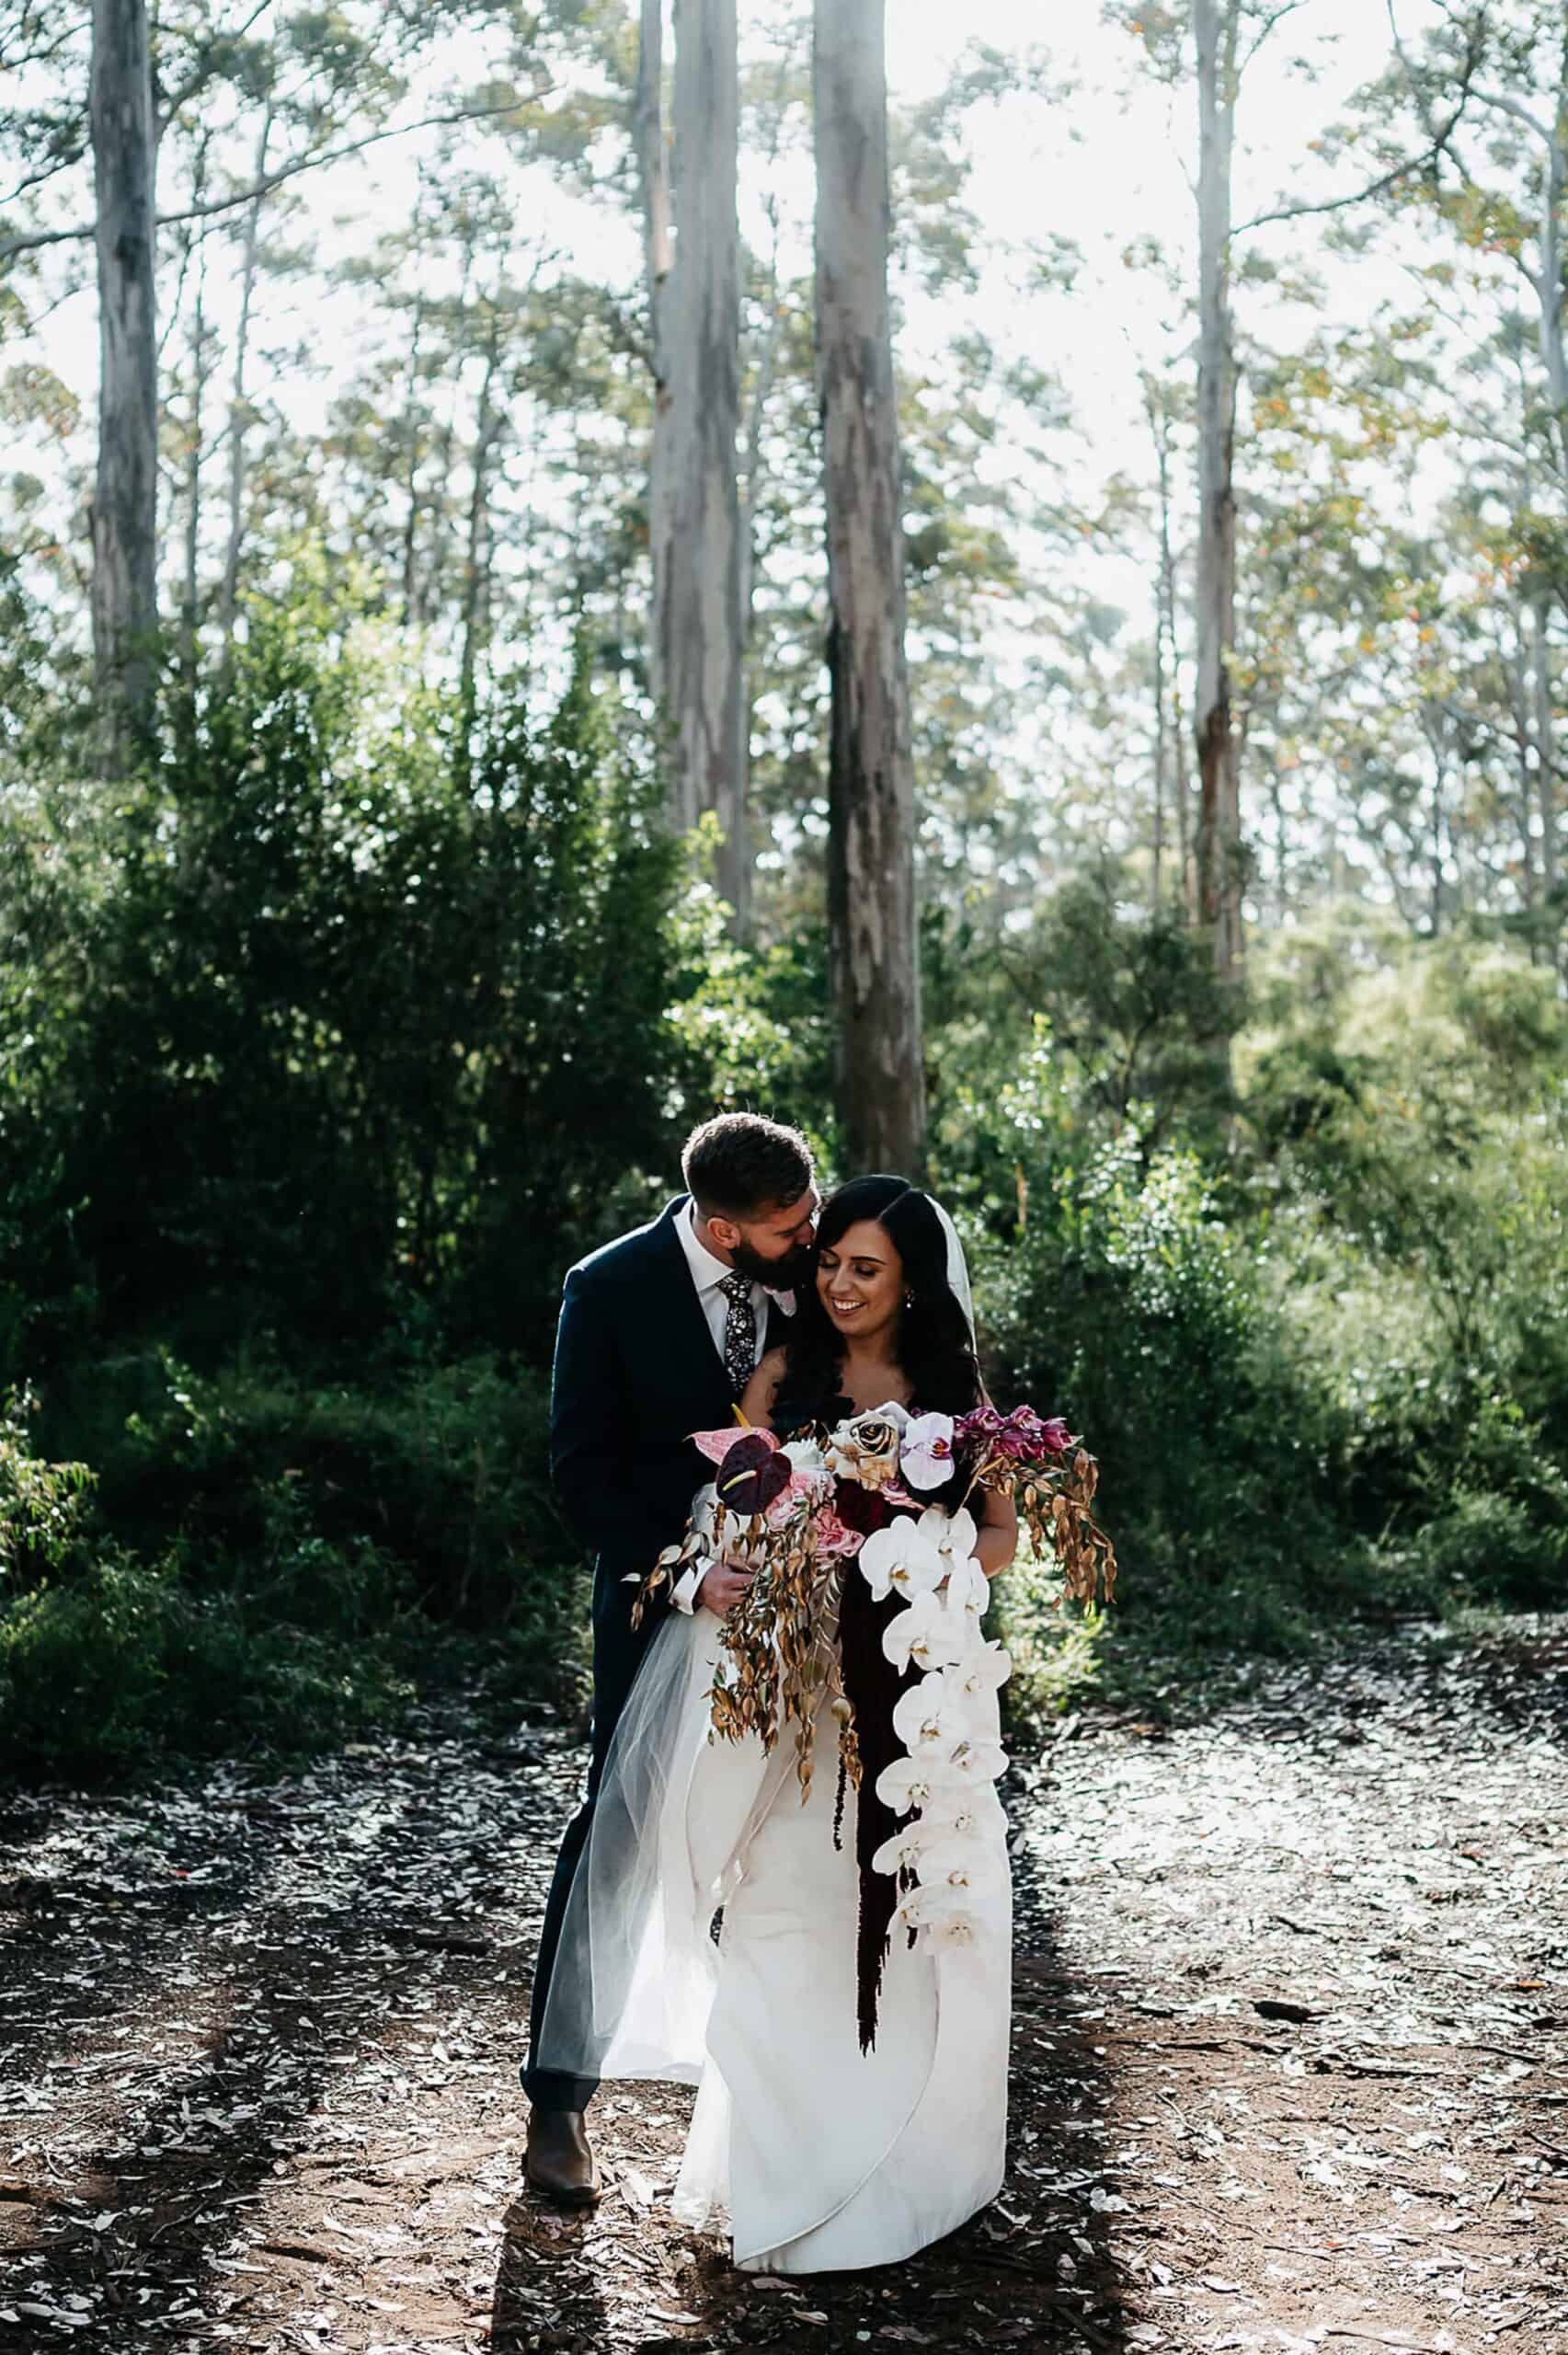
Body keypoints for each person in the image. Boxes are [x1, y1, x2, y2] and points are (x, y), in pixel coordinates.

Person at [532, 1175, 1020, 2272]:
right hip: (794, 1691)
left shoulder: (954, 1396)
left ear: (913, 1282)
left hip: (906, 1694)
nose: (836, 1282)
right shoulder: (786, 1369)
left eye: (863, 1267)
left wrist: (913, 1558)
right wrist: (788, 1549)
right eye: (828, 1261)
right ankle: (780, 2174)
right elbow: (728, 1497)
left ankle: (905, 2167)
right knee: (788, 1908)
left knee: (903, 1908)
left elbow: (997, 1535)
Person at [521, 1112, 819, 2203]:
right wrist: (687, 1570)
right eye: (789, 1226)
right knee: (623, 1825)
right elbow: (581, 1474)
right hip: (662, 1608)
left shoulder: (814, 1268)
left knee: (807, 1828)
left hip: (813, 1599)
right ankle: (557, 2103)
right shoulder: (606, 1288)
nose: (813, 1236)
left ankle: (799, 2114)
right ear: (724, 1228)